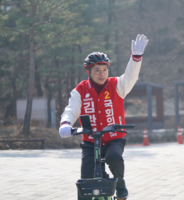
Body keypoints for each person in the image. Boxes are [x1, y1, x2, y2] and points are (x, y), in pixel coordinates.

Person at [59, 34, 149, 199]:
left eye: (105, 70)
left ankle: (120, 185)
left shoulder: (117, 85)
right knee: (86, 182)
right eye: (97, 70)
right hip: (91, 141)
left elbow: (131, 77)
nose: (102, 74)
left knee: (114, 157)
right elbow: (71, 108)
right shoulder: (81, 89)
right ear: (88, 71)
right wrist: (66, 123)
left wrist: (136, 58)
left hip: (114, 138)